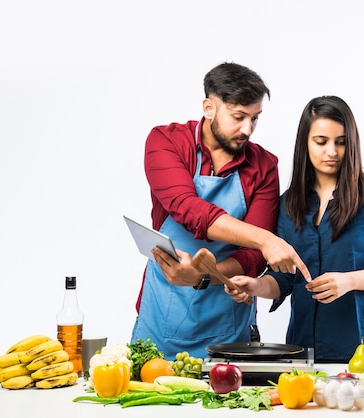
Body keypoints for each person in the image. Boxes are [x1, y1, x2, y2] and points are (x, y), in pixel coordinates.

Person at [131, 62, 310, 360]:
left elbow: (251, 257)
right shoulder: (166, 142)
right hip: (163, 310)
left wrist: (202, 276)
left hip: (229, 322)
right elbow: (189, 210)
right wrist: (267, 240)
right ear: (209, 108)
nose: (247, 129)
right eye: (238, 117)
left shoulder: (264, 166)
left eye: (255, 118)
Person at [228, 95, 364, 362]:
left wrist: (348, 281)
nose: (332, 152)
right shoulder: (288, 204)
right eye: (321, 142)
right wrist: (255, 286)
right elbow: (284, 278)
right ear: (305, 143)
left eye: (341, 142)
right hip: (303, 352)